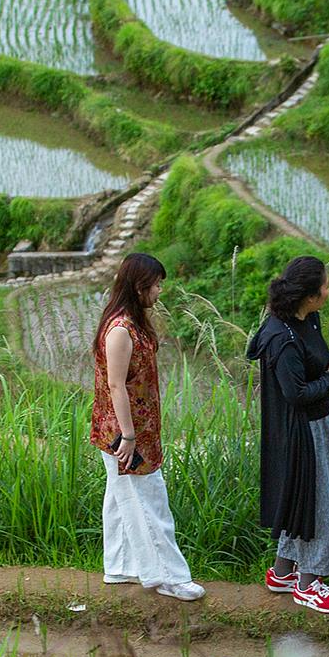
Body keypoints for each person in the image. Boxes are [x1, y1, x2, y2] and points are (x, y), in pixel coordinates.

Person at [247, 256, 329, 614]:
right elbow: (297, 393)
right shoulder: (281, 338)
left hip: (314, 423)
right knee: (318, 502)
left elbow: (315, 359)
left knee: (301, 498)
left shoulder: (305, 320)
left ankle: (282, 573)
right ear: (310, 295)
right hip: (299, 431)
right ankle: (308, 584)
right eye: (325, 285)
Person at [90, 253, 205, 600]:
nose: (159, 291)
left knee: (120, 498)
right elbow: (116, 386)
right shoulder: (120, 330)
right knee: (150, 502)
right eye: (156, 285)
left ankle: (120, 566)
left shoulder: (132, 322)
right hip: (125, 434)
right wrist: (128, 436)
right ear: (139, 286)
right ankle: (169, 577)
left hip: (134, 429)